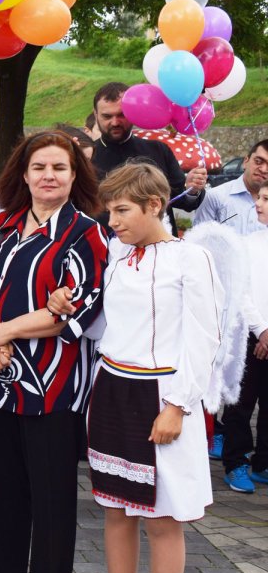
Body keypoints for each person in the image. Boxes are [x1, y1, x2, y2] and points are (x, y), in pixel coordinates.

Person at [0, 130, 108, 573]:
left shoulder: (87, 234)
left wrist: (4, 331)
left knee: (51, 498)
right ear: (23, 173)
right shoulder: (0, 224)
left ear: (74, 175)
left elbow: (72, 312)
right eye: (39, 167)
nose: (48, 176)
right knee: (0, 490)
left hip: (53, 388)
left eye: (59, 168)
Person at [76, 163, 221, 573]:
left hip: (161, 393)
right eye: (109, 210)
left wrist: (179, 406)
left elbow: (204, 337)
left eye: (122, 211)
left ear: (155, 205)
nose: (112, 221)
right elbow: (108, 327)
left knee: (161, 518)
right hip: (112, 387)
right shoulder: (119, 257)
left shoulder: (191, 258)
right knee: (115, 510)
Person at [91, 82, 206, 233]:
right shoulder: (85, 157)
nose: (115, 122)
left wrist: (191, 189)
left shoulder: (158, 150)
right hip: (103, 250)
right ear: (95, 115)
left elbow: (186, 202)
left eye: (121, 115)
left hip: (159, 250)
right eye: (107, 116)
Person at [223, 183, 268, 491]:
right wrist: (262, 330)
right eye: (259, 198)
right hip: (251, 337)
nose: (258, 204)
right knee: (241, 402)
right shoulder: (247, 244)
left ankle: (263, 462)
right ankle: (236, 461)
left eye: (266, 199)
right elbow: (242, 292)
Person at [193, 139, 268, 235]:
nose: (263, 169)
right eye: (258, 161)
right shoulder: (214, 197)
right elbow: (199, 240)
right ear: (245, 162)